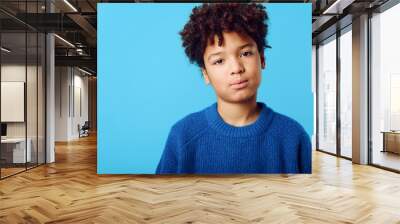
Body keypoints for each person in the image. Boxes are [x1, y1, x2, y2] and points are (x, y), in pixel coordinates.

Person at [156, 3, 311, 174]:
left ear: (262, 58)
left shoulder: (293, 136)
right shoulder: (182, 135)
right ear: (205, 74)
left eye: (245, 53)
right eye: (219, 61)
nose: (236, 68)